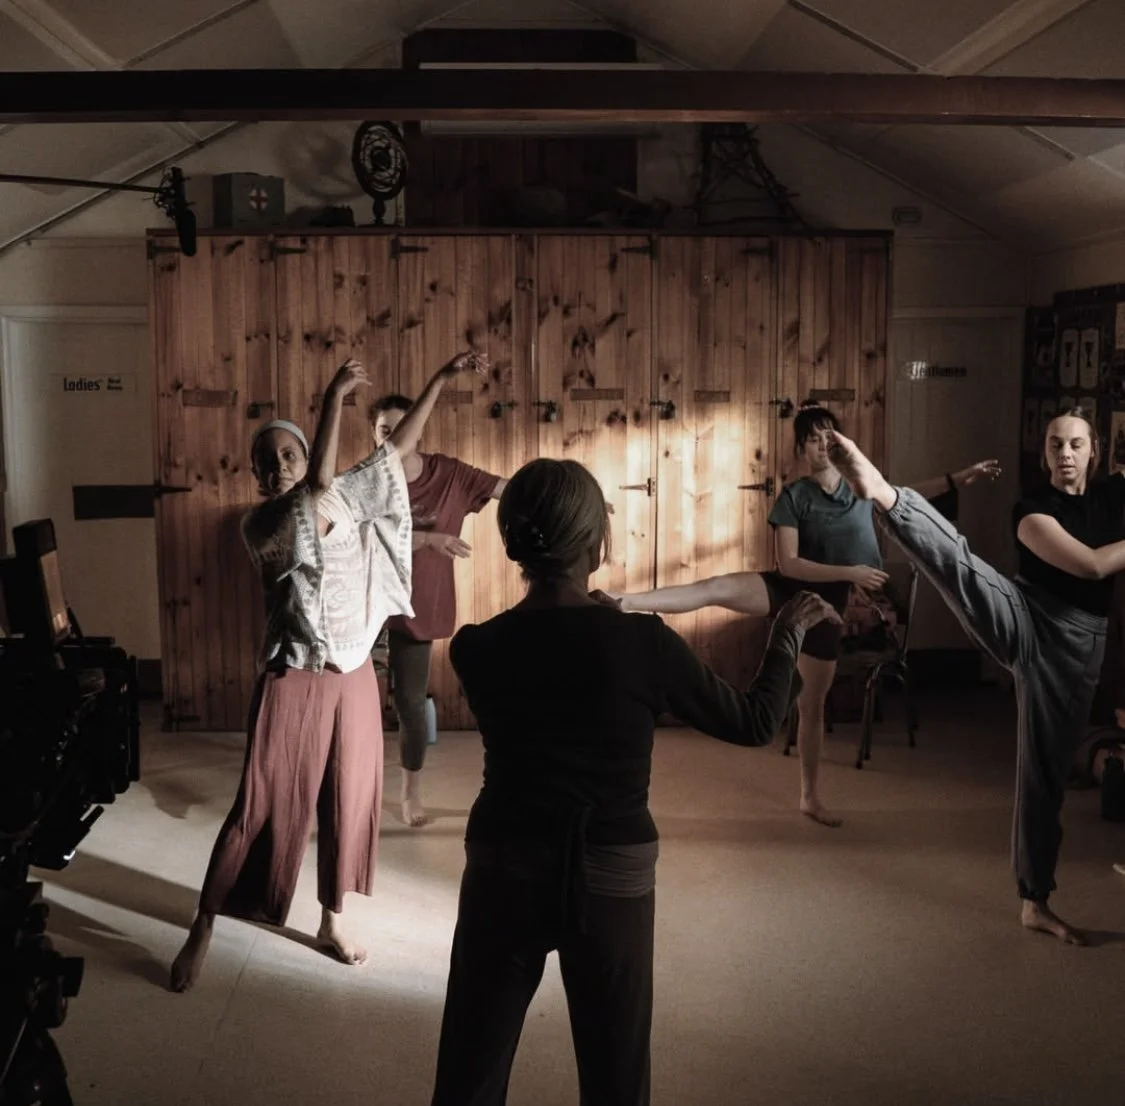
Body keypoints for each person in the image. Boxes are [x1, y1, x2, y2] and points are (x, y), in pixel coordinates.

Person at [429, 457, 840, 1106]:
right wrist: (785, 635)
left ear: (511, 544)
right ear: (598, 545)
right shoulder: (640, 645)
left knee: (468, 1076)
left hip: (504, 861)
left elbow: (556, 657)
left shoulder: (475, 648)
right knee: (615, 1076)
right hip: (611, 868)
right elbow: (756, 721)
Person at [169, 350, 486, 993]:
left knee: (348, 799)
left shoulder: (344, 491)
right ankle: (204, 923)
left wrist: (440, 378)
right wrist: (333, 398)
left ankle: (330, 921)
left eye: (289, 454)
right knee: (258, 804)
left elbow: (399, 448)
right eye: (270, 460)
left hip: (352, 677)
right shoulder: (259, 524)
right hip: (293, 675)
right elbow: (312, 493)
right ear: (257, 476)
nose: (280, 466)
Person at [614, 404, 1000, 826]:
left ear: (840, 444)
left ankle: (810, 797)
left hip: (837, 605)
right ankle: (626, 602)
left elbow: (907, 494)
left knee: (811, 703)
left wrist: (957, 479)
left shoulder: (861, 489)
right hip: (796, 588)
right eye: (813, 439)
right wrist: (848, 569)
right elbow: (791, 565)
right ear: (802, 449)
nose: (822, 445)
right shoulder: (794, 497)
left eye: (829, 437)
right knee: (716, 587)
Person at [824, 407, 1125, 945]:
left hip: (1078, 648)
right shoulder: (1031, 511)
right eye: (1055, 444)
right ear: (1044, 454)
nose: (1065, 454)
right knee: (961, 567)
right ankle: (887, 496)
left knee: (1045, 775)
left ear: (1094, 451)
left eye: (1076, 444)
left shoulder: (1114, 499)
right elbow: (1092, 566)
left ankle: (1034, 901)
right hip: (1024, 616)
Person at [368, 394, 507, 827]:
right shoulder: (365, 481)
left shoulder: (449, 475)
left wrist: (575, 495)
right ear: (374, 435)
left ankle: (410, 792)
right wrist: (428, 540)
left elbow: (511, 489)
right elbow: (367, 540)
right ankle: (358, 788)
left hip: (416, 609)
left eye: (399, 428)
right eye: (383, 431)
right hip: (364, 608)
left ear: (418, 429)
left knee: (409, 705)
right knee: (361, 707)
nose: (392, 438)